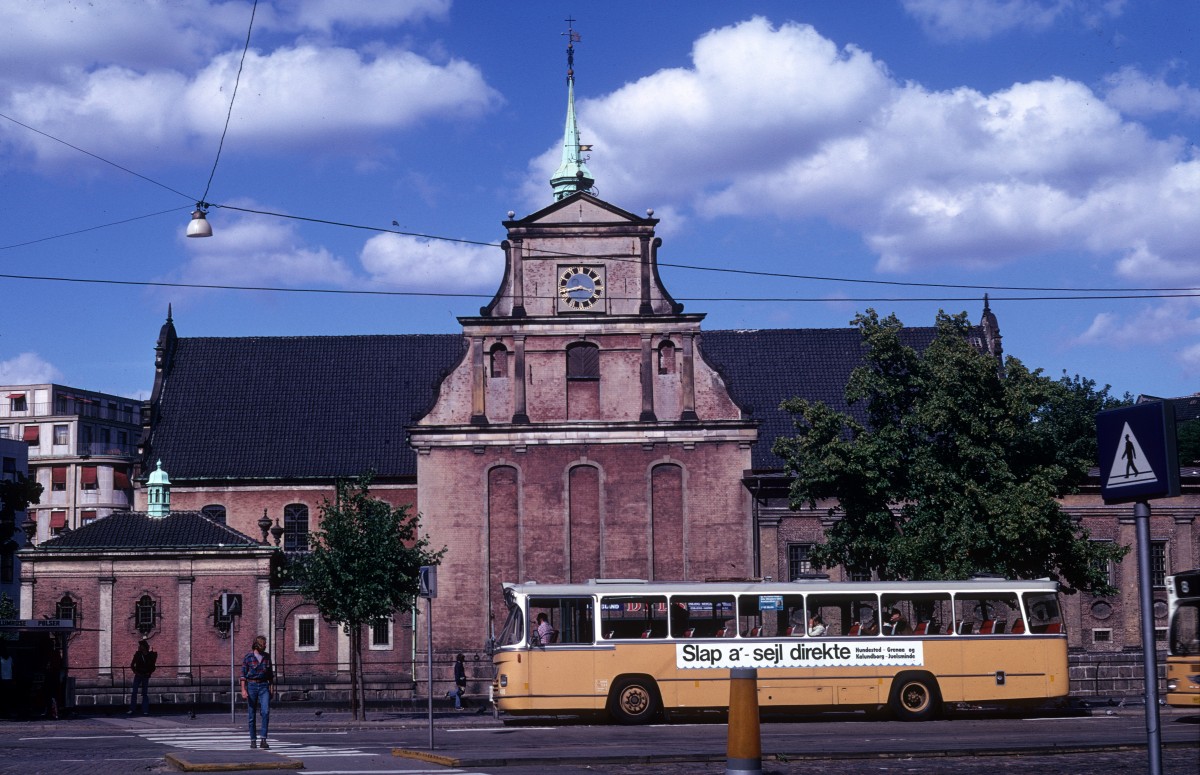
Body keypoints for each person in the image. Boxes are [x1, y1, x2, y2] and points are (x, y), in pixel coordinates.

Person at [240, 635, 273, 749]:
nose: (265, 646)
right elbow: (243, 675)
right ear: (258, 645)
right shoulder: (248, 657)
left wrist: (271, 688)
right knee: (251, 714)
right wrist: (243, 689)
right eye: (264, 644)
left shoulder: (267, 657)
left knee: (265, 711)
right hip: (252, 685)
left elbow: (270, 675)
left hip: (264, 686)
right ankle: (253, 740)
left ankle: (263, 739)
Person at [128, 639, 156, 715]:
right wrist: (136, 672)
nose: (140, 647)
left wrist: (148, 673)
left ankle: (144, 710)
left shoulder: (149, 655)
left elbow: (153, 666)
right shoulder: (138, 655)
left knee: (143, 693)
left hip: (144, 675)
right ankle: (135, 709)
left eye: (141, 646)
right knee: (135, 692)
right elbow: (132, 665)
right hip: (139, 674)